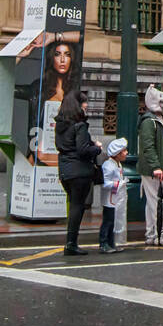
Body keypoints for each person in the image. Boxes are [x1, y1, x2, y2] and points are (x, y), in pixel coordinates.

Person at [55, 89, 101, 256]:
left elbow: (66, 146)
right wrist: (96, 148)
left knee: (74, 204)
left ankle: (70, 242)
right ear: (78, 105)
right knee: (77, 206)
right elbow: (82, 150)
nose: (86, 105)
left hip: (65, 170)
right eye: (84, 103)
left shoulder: (60, 125)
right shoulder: (80, 125)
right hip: (79, 171)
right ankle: (71, 243)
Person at [137, 86, 163, 247]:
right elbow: (148, 146)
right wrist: (156, 166)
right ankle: (157, 234)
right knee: (157, 202)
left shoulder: (160, 119)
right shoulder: (150, 122)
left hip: (162, 168)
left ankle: (154, 233)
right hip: (155, 170)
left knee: (160, 201)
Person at [98, 138, 128, 253]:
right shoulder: (108, 165)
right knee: (108, 221)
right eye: (124, 151)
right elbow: (105, 183)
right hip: (109, 200)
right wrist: (119, 184)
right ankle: (103, 242)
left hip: (116, 199)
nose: (126, 153)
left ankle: (111, 242)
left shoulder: (117, 164)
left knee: (114, 221)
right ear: (117, 153)